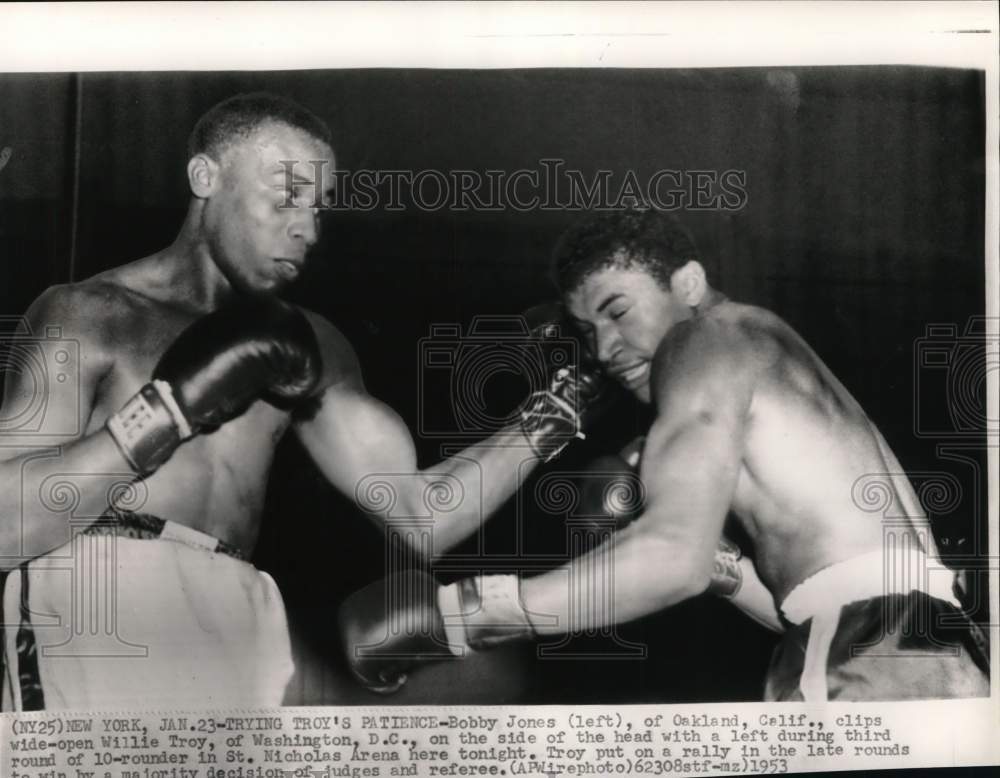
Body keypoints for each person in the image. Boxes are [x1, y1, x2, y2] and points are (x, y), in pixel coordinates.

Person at [0, 92, 609, 710]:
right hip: (96, 600)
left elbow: (420, 515)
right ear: (205, 176)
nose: (308, 229)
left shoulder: (311, 344)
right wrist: (163, 416)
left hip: (236, 608)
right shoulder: (90, 313)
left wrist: (561, 406)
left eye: (318, 207)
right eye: (286, 196)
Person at [339, 208, 989, 701]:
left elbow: (669, 562)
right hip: (940, 648)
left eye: (617, 311)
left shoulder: (698, 340)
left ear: (689, 282)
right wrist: (721, 565)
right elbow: (821, 596)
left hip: (864, 656)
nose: (604, 347)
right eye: (588, 331)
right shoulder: (769, 351)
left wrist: (464, 617)